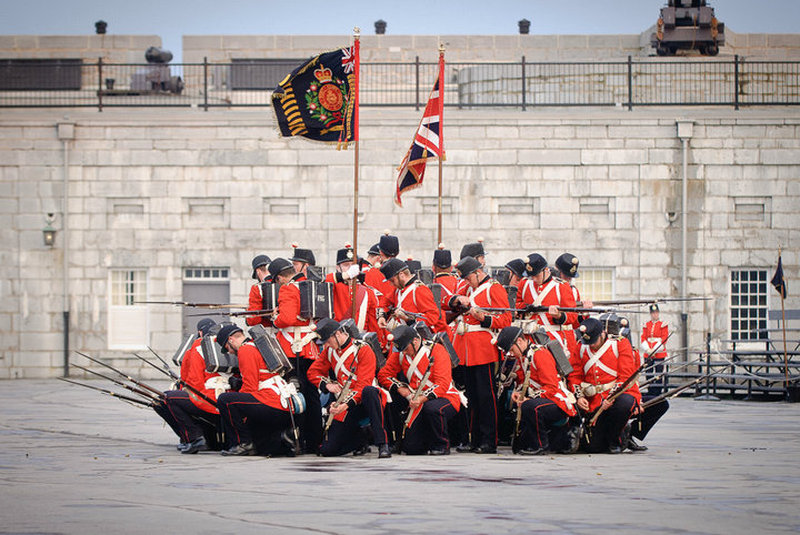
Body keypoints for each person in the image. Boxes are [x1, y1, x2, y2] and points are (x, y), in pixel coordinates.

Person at [447, 256, 512, 453]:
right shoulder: (469, 289)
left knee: (486, 396)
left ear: (477, 272)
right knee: (472, 396)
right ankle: (474, 439)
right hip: (466, 348)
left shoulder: (494, 288)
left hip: (484, 348)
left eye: (468, 278)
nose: (466, 282)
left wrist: (484, 318)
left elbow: (506, 318)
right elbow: (451, 302)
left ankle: (488, 440)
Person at [307, 318, 391, 458]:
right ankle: (360, 439)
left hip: (366, 401)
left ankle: (383, 444)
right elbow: (312, 372)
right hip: (345, 402)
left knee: (369, 392)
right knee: (327, 450)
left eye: (328, 341)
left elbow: (363, 384)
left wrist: (344, 405)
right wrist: (328, 385)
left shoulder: (362, 349)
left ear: (338, 334)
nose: (326, 345)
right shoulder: (329, 351)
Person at [495, 326, 579, 455]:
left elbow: (551, 387)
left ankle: (540, 445)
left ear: (520, 341)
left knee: (530, 406)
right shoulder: (523, 357)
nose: (511, 354)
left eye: (511, 350)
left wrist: (530, 398)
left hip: (557, 401)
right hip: (542, 399)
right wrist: (518, 393)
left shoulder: (540, 354)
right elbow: (524, 383)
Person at [378, 325, 461, 455]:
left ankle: (442, 445)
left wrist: (421, 399)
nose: (404, 353)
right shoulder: (401, 353)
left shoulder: (436, 350)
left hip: (444, 396)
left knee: (432, 408)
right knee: (412, 448)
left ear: (415, 341)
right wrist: (401, 389)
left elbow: (442, 383)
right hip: (416, 399)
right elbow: (383, 375)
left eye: (406, 349)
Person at [214, 324, 295, 456]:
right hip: (282, 403)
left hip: (271, 401)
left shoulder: (245, 350)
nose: (229, 352)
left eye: (227, 347)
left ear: (230, 339)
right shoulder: (256, 345)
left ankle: (243, 444)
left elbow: (250, 387)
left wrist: (239, 411)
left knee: (225, 400)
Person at [269, 257, 322, 454]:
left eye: (277, 280)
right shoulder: (310, 286)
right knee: (311, 394)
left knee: (294, 394)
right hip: (309, 347)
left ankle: (298, 436)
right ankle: (315, 439)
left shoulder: (288, 288)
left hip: (293, 349)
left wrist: (275, 318)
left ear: (281, 277)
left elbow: (287, 319)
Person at [570, 318, 642, 454]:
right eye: (589, 343)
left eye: (594, 342)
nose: (591, 346)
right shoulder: (580, 347)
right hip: (593, 399)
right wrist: (579, 397)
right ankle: (616, 435)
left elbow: (625, 377)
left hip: (616, 395)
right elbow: (575, 376)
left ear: (602, 334)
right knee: (593, 448)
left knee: (625, 404)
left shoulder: (620, 344)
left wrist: (611, 398)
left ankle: (616, 440)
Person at [156, 318, 226, 454]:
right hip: (228, 399)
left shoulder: (197, 347)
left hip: (209, 400)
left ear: (200, 333)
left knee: (166, 399)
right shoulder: (227, 344)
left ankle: (192, 439)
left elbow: (192, 382)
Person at [377, 258, 449, 335]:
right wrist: (382, 316)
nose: (391, 284)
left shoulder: (419, 290)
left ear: (401, 275)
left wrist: (408, 319)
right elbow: (385, 303)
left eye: (392, 280)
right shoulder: (397, 290)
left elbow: (433, 317)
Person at [641, 303, 669, 396]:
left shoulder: (663, 324)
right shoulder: (646, 324)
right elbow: (643, 337)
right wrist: (648, 349)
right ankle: (650, 390)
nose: (655, 315)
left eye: (656, 313)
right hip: (648, 352)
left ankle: (657, 391)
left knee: (658, 372)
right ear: (650, 314)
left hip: (659, 352)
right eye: (653, 313)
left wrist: (655, 350)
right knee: (648, 372)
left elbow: (664, 338)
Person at [246, 254, 272, 328]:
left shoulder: (257, 288)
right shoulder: (284, 284)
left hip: (268, 331)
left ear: (257, 271)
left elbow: (253, 320)